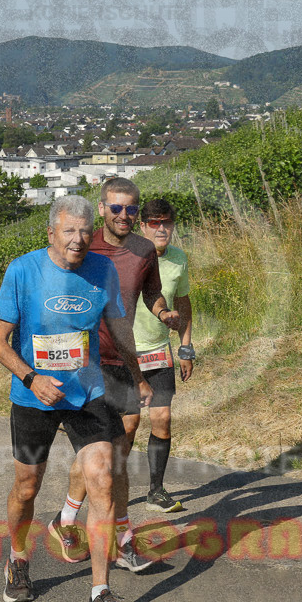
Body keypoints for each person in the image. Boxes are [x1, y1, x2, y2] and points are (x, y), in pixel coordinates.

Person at [0, 195, 145, 602]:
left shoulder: (102, 269)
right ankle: (18, 559)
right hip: (34, 396)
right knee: (26, 488)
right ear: (51, 232)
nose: (77, 240)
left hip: (87, 392)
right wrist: (31, 377)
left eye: (84, 231)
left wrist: (139, 375)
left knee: (102, 479)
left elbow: (118, 327)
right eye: (69, 231)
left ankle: (100, 594)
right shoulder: (22, 270)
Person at [49, 177, 177, 572]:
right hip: (83, 364)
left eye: (131, 209)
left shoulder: (143, 250)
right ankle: (103, 532)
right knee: (100, 454)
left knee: (115, 454)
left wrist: (162, 312)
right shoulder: (83, 246)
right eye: (116, 208)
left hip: (123, 360)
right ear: (101, 209)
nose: (124, 215)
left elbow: (151, 292)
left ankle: (70, 521)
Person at [126, 198, 195, 512]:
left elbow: (183, 304)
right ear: (142, 226)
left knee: (162, 421)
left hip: (158, 352)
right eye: (154, 223)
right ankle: (112, 486)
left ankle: (156, 490)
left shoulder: (178, 259)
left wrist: (186, 346)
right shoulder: (127, 256)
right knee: (127, 427)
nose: (162, 228)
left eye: (166, 222)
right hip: (126, 354)